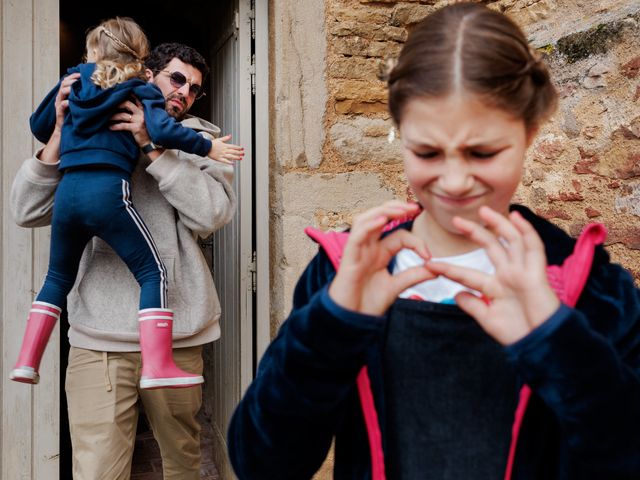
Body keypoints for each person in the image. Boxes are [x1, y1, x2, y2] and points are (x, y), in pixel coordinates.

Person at [227, 3, 640, 479]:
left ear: (529, 132)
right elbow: (260, 462)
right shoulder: (343, 271)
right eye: (427, 152)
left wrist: (557, 340)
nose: (455, 180)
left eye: (482, 152)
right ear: (400, 134)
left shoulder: (588, 281)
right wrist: (331, 325)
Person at [10, 40, 236, 479]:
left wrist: (154, 148)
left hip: (179, 335)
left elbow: (212, 214)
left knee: (183, 464)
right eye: (176, 79)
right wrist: (58, 132)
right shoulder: (87, 124)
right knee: (97, 471)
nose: (184, 93)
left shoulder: (201, 140)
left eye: (193, 89)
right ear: (146, 74)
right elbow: (26, 212)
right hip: (100, 339)